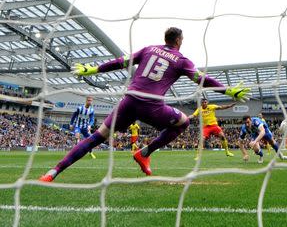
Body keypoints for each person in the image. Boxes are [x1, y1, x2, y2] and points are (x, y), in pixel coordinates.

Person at [39, 27, 251, 182]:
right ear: (179, 40)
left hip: (129, 101)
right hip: (152, 106)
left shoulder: (149, 49)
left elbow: (120, 62)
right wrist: (228, 90)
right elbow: (201, 78)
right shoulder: (181, 59)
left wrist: (93, 69)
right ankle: (145, 153)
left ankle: (53, 172)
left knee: (97, 137)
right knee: (184, 122)